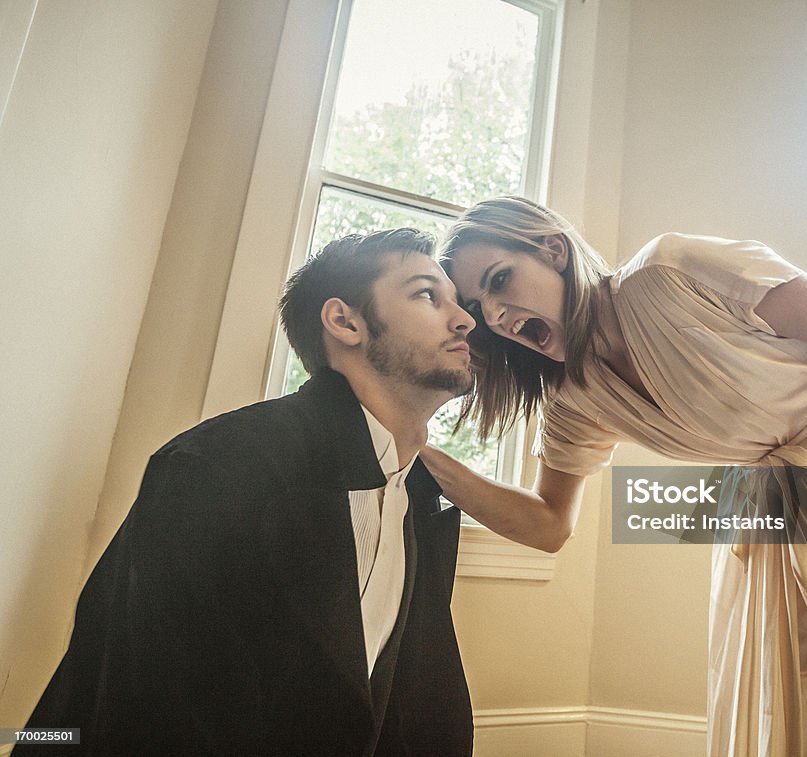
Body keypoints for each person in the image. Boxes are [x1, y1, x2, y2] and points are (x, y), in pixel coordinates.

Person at [422, 196, 807, 756]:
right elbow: (550, 524)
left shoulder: (669, 270)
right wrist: (426, 454)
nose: (495, 315)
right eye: (477, 306)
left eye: (499, 280)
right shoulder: (574, 400)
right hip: (791, 513)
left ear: (553, 249)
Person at [16, 229, 476, 756]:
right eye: (426, 295)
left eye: (457, 302)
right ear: (346, 321)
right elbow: (138, 702)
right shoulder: (217, 465)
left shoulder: (418, 495)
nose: (464, 319)